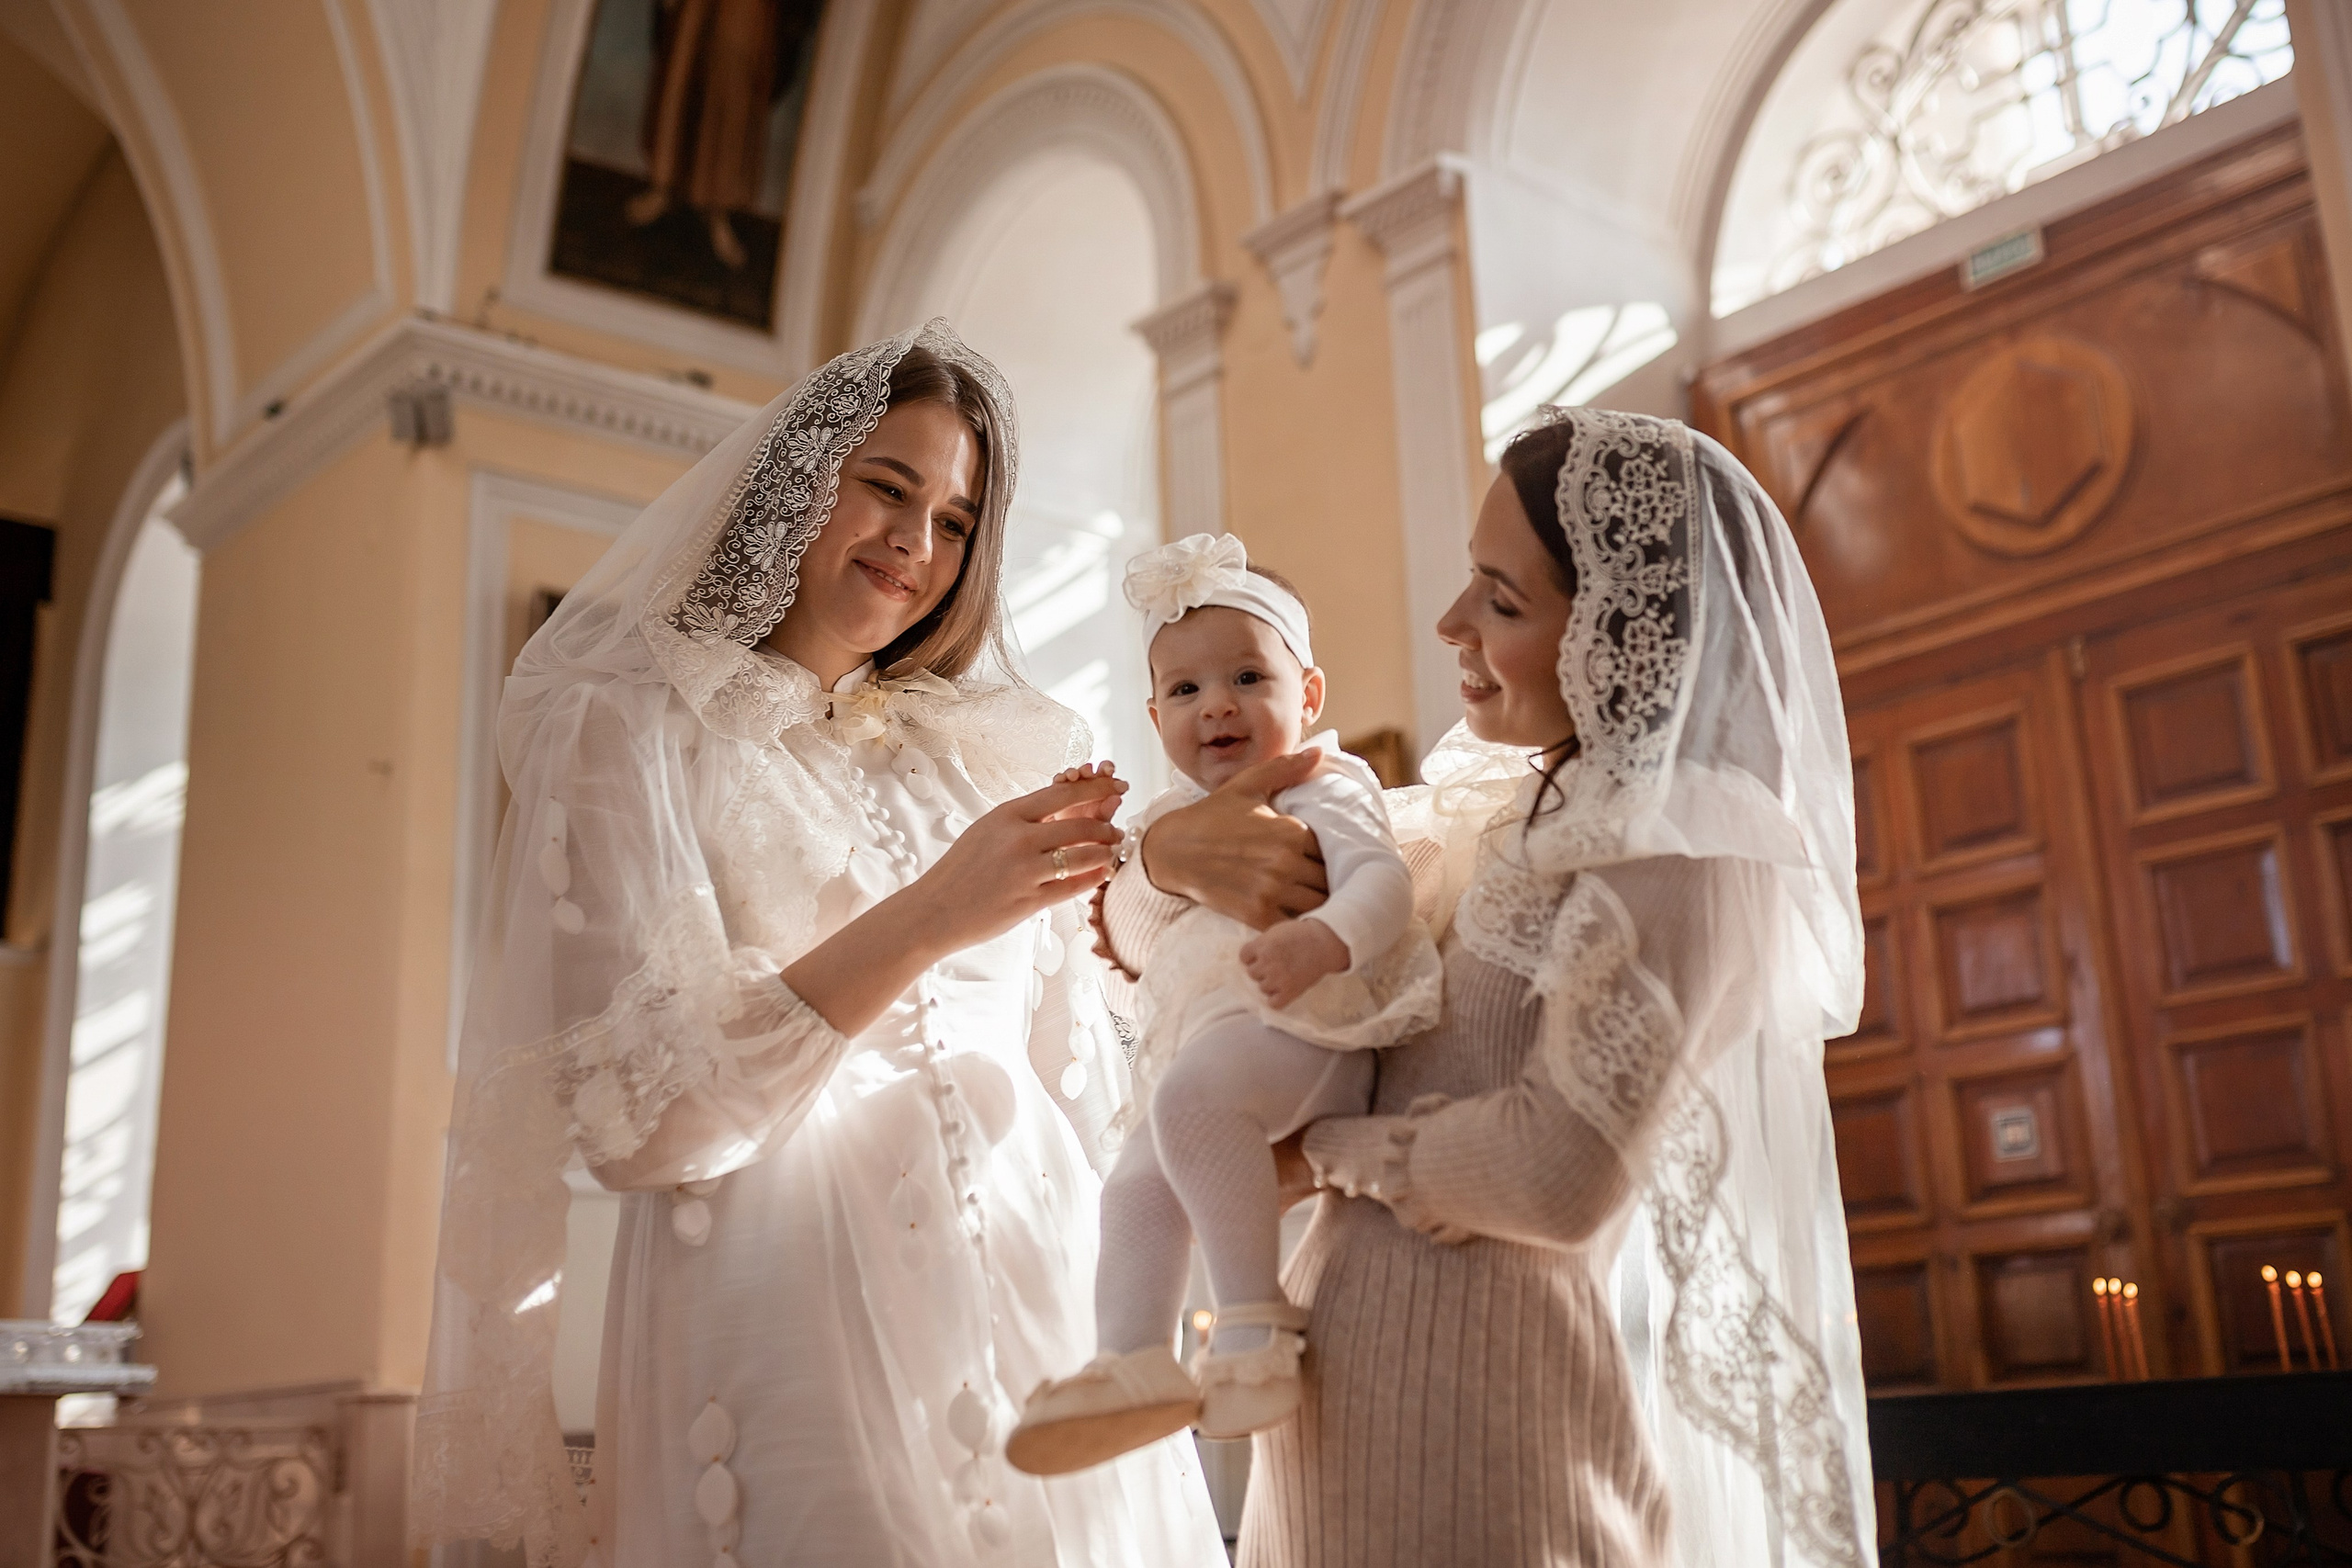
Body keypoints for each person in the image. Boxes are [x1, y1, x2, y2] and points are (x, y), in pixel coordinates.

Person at [413, 321, 1227, 1568]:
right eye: (887, 487)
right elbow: (646, 1117)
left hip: (1034, 1288)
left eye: (956, 519)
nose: (916, 542)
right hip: (783, 1311)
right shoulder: (635, 730)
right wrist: (930, 914)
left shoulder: (977, 750)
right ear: (796, 482)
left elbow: (1088, 1058)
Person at [1106, 407, 1877, 1566]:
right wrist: (1160, 855)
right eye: (1471, 580)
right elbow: (1167, 921)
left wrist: (1331, 1154)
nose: (1449, 620)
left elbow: (1561, 1175)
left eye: (1501, 601)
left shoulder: (1692, 845)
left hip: (1486, 1444)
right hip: (1343, 1431)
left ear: (1623, 630)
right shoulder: (1502, 815)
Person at [1006, 536, 1440, 1475]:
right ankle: (1132, 1360)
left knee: (1191, 1106)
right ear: (1155, 713)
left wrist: (1321, 937)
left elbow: (1382, 885)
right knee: (1132, 1183)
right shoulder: (1166, 824)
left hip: (1314, 1027)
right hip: (1221, 1051)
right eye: (1189, 691)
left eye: (1249, 675)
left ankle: (1253, 1320)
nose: (1221, 706)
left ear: (1309, 695)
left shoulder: (1322, 783)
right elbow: (1130, 950)